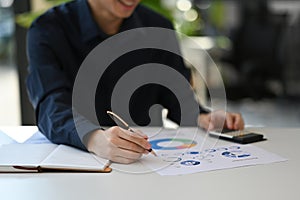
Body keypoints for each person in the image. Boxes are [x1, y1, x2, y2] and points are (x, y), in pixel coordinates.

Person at [27, 0, 244, 164]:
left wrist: (203, 116)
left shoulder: (158, 26)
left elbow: (175, 96)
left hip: (144, 163)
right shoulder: (47, 29)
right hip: (74, 163)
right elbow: (50, 105)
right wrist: (93, 138)